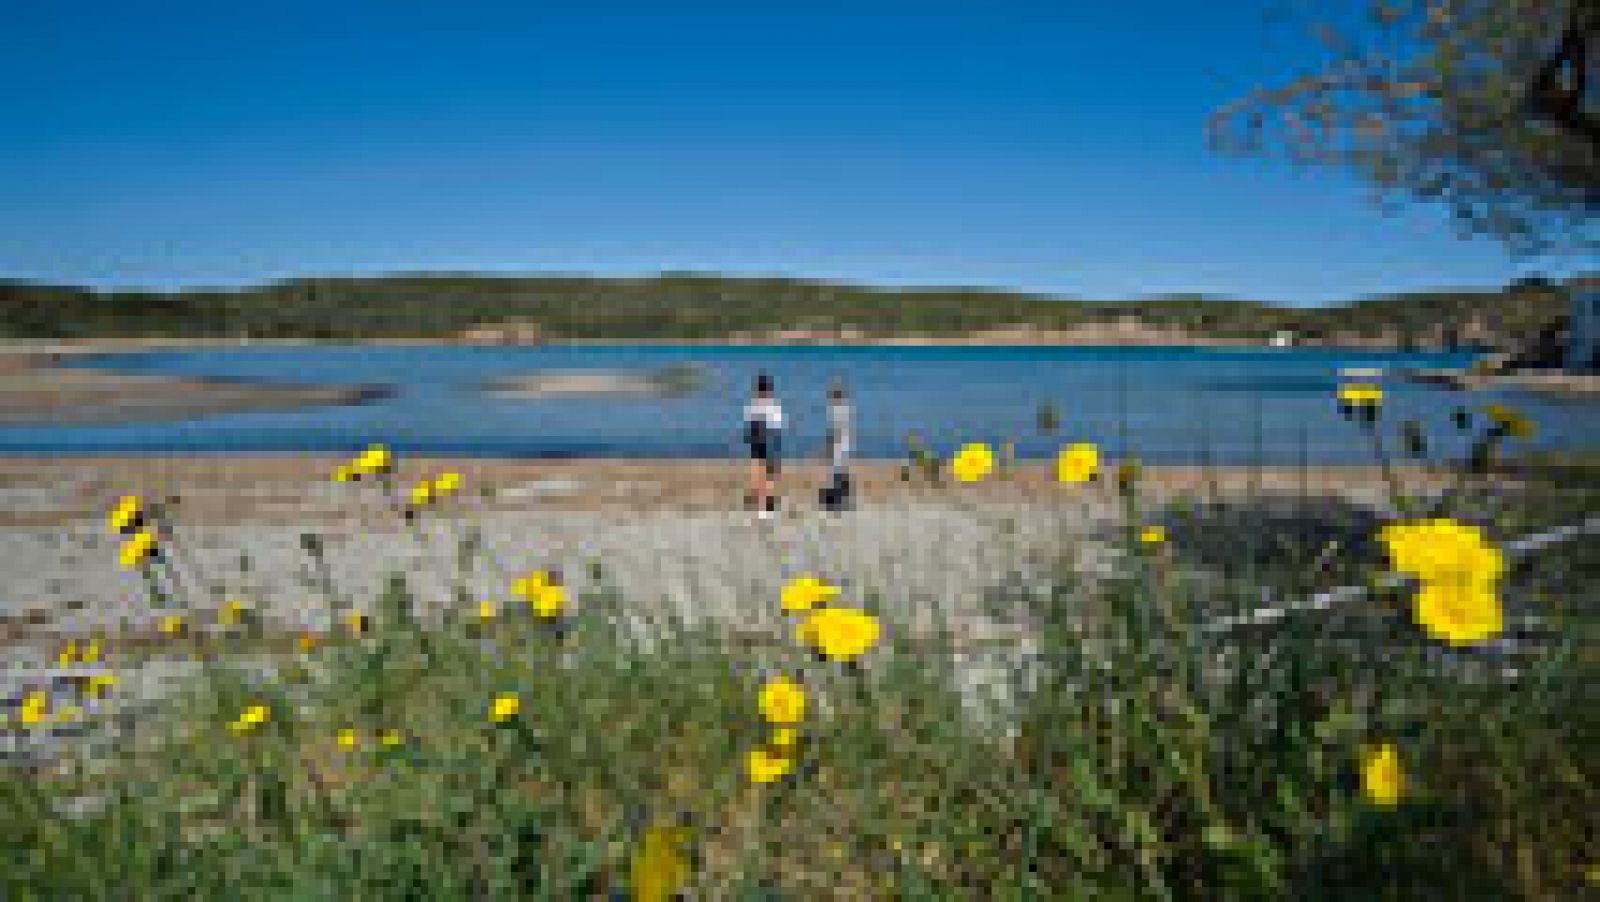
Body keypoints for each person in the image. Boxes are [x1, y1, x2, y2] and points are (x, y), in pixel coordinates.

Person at [742, 371, 784, 519]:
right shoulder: (774, 406)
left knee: (759, 475)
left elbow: (751, 429)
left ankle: (762, 506)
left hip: (758, 442)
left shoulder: (753, 405)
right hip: (768, 442)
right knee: (767, 477)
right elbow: (776, 429)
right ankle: (766, 506)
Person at [821, 379, 853, 512]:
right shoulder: (845, 409)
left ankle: (838, 501)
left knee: (836, 473)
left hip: (838, 446)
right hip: (843, 445)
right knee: (840, 472)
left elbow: (836, 431)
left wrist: (831, 446)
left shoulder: (837, 410)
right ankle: (842, 500)